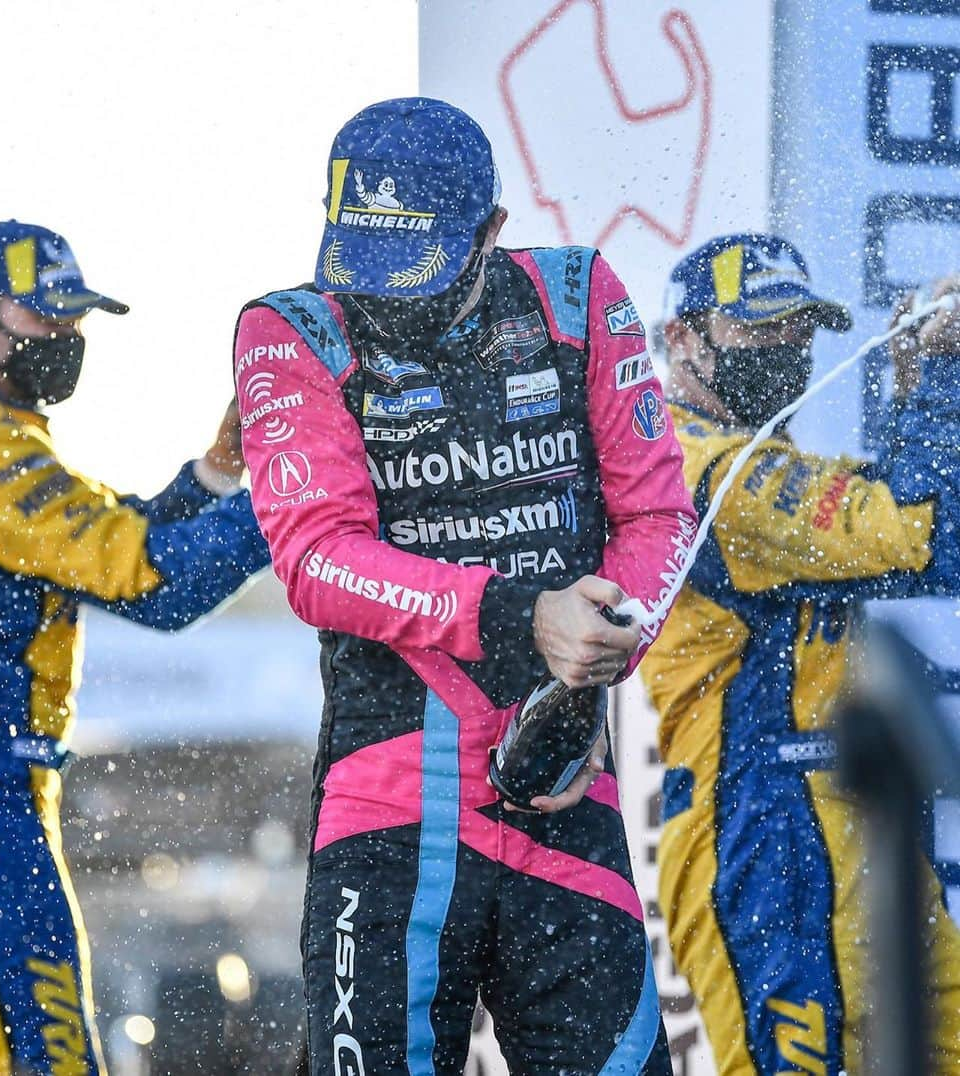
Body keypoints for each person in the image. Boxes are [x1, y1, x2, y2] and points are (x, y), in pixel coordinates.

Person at [233, 97, 697, 1075]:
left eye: (414, 271)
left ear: (492, 231)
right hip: (391, 807)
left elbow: (659, 518)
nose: (387, 302)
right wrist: (525, 616)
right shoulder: (290, 329)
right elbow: (317, 557)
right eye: (365, 265)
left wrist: (605, 636)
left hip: (561, 786)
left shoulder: (577, 297)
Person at [0, 220, 270, 1074]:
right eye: (43, 318)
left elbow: (107, 541)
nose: (65, 340)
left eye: (75, 320)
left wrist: (218, 472)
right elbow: (156, 585)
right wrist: (296, 486)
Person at [639, 233, 960, 1074]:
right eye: (760, 332)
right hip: (757, 823)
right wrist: (941, 369)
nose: (786, 353)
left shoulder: (767, 462)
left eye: (799, 333)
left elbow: (896, 526)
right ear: (682, 337)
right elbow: (920, 532)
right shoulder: (694, 468)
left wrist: (913, 378)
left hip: (844, 816)